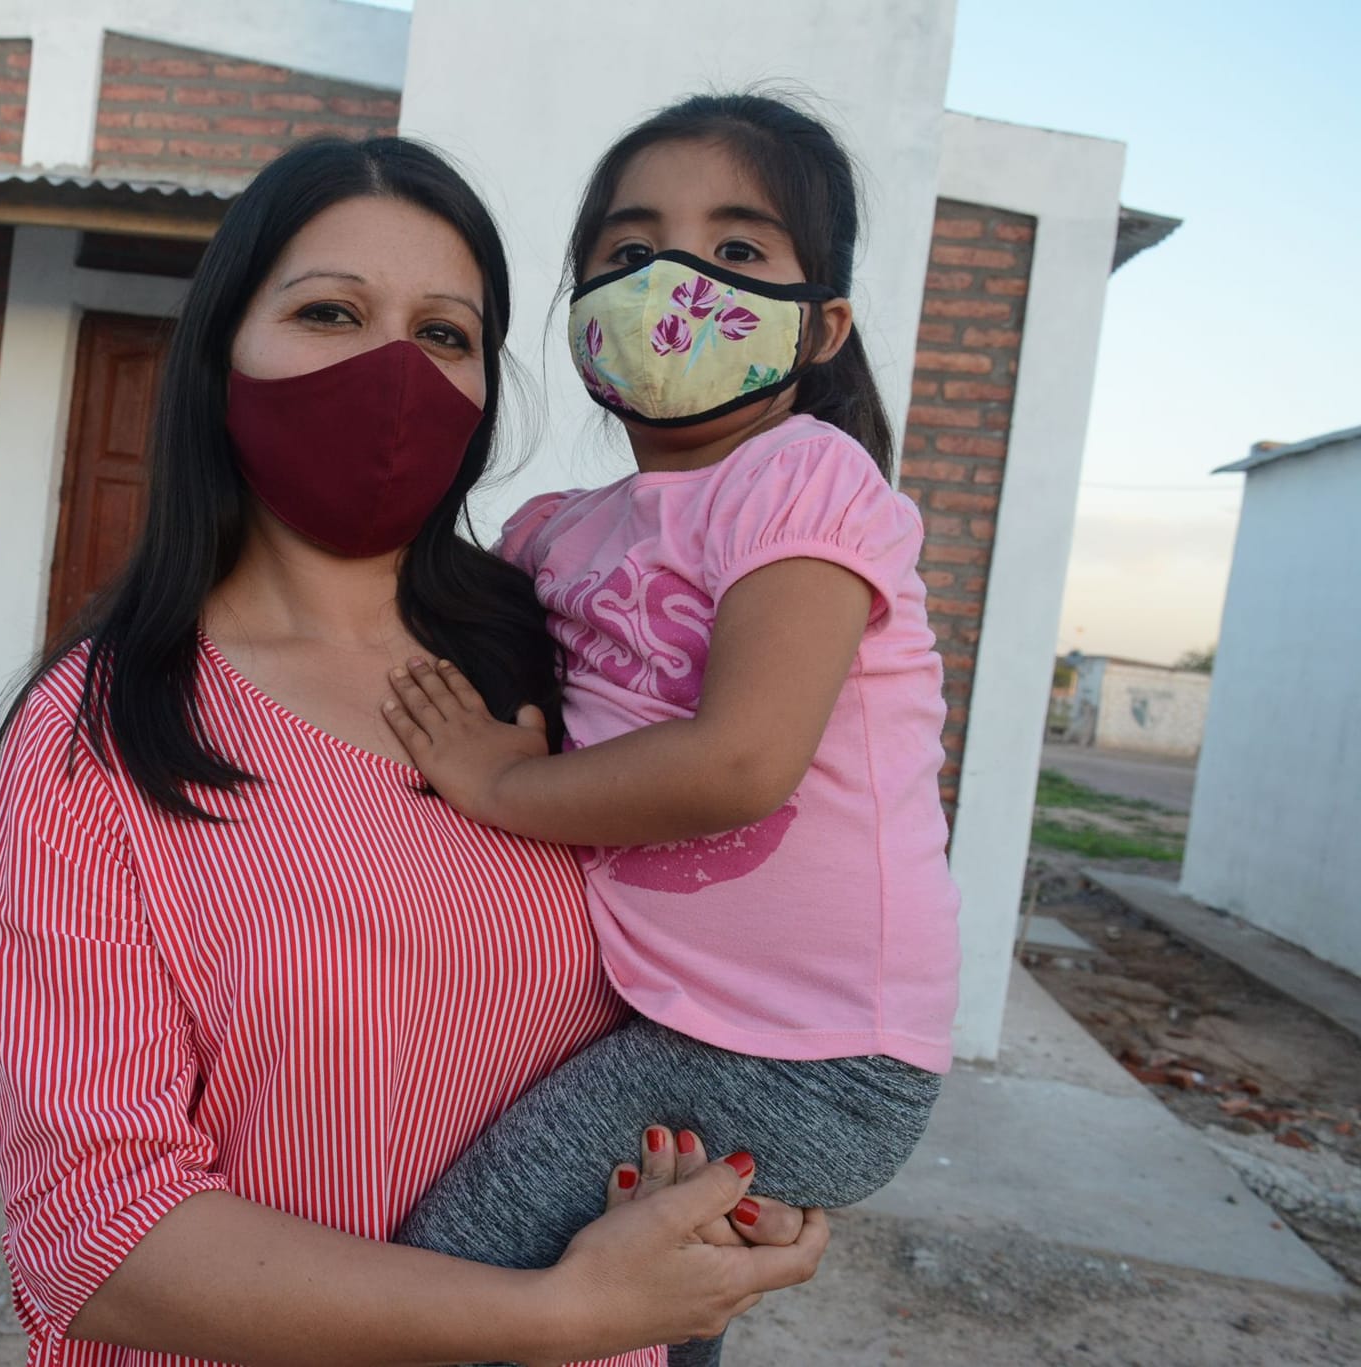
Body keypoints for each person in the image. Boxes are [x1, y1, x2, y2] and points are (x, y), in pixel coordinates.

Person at [0, 134, 828, 1367]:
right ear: (220, 348)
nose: (391, 372)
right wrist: (553, 1315)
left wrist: (736, 1179)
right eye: (329, 311)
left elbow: (725, 961)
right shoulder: (103, 735)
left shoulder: (568, 656)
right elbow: (93, 1235)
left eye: (443, 333)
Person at [384, 95, 961, 1366]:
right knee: (645, 1304)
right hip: (681, 1021)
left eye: (736, 249)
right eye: (628, 249)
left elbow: (739, 761)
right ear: (580, 304)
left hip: (808, 1050)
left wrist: (496, 783)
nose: (672, 283)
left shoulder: (802, 477)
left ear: (820, 326)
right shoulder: (554, 532)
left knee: (451, 1269)